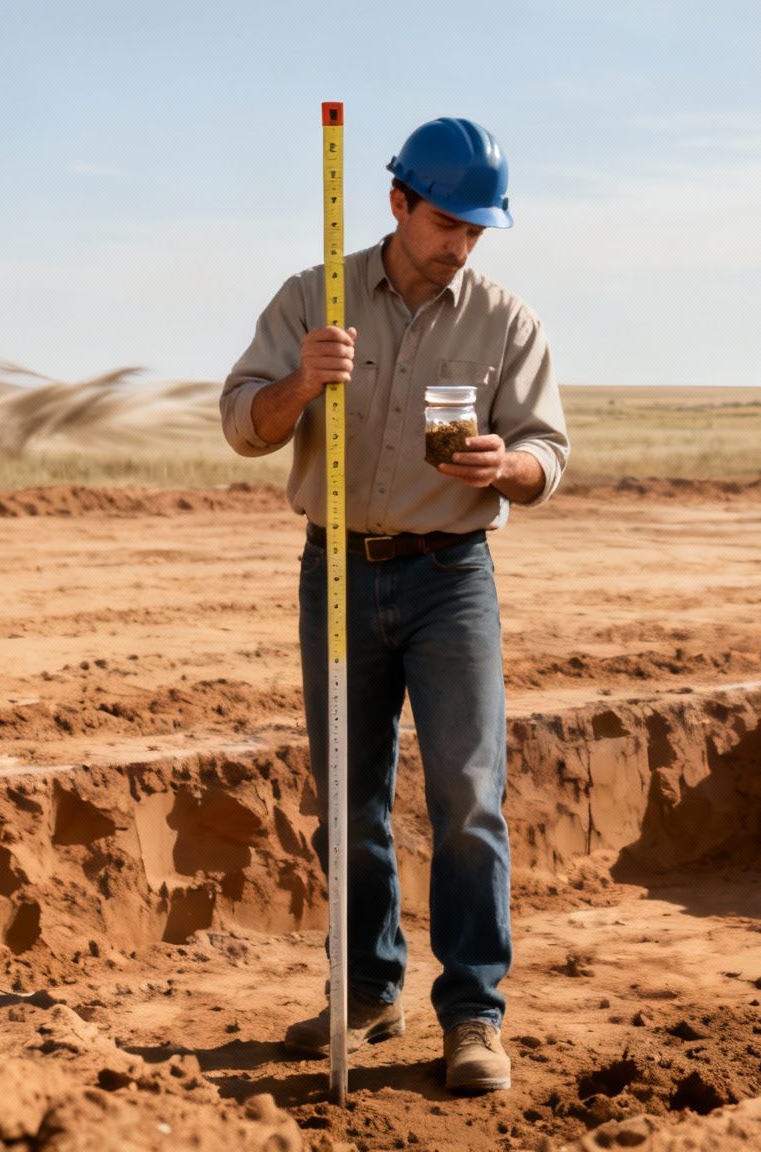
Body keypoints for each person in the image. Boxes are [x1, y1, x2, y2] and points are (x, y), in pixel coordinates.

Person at [219, 116, 569, 1094]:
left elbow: (549, 449)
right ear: (397, 204)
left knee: (466, 797)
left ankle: (472, 1017)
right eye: (447, 219)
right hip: (335, 569)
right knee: (347, 799)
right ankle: (369, 991)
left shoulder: (504, 321)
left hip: (451, 579)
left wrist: (514, 468)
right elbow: (241, 424)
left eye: (477, 226)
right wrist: (300, 382)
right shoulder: (312, 299)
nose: (461, 240)